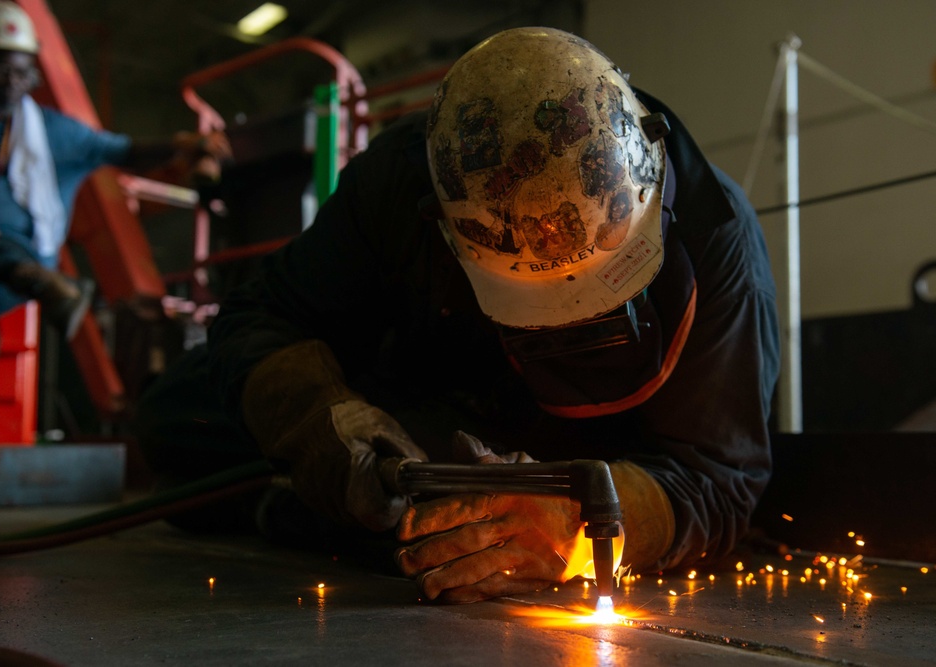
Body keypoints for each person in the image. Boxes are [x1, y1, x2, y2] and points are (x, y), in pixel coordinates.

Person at [135, 27, 780, 604]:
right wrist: (318, 418)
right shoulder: (399, 180)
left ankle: (282, 510)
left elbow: (719, 478)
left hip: (587, 460)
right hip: (416, 416)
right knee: (173, 418)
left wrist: (578, 522)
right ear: (443, 226)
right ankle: (306, 496)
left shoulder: (717, 239)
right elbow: (259, 314)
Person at [0, 0, 231, 445]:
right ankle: (33, 282)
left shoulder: (52, 132)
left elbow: (123, 151)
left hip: (8, 272)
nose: (11, 82)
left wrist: (181, 146)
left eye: (21, 71)